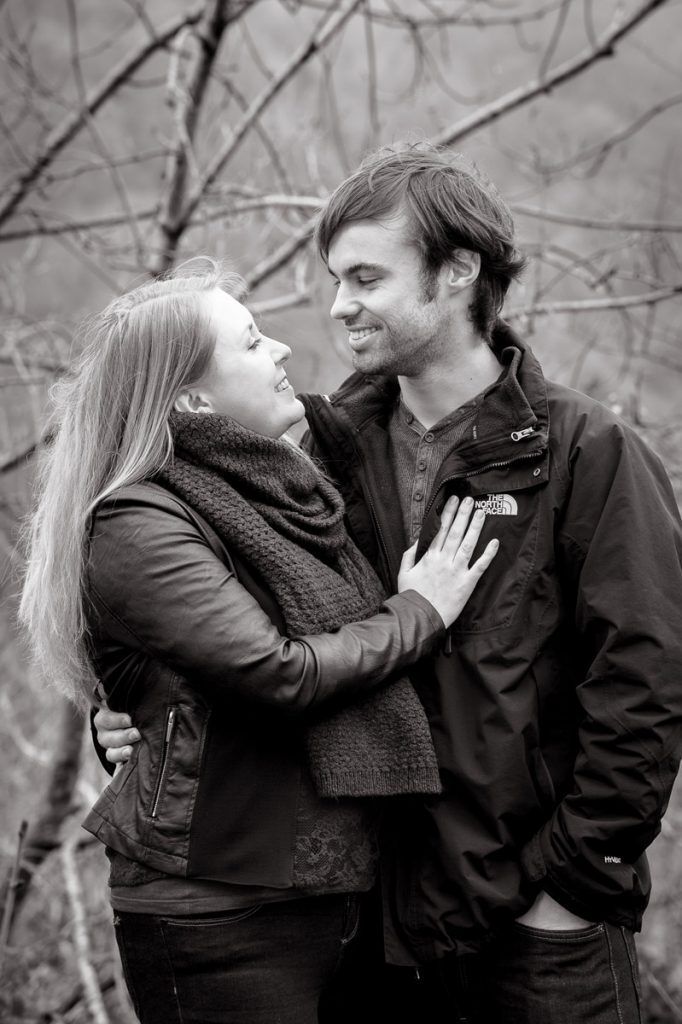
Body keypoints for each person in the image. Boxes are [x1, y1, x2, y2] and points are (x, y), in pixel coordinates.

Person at [95, 144, 682, 1024]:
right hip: (370, 927)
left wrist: (572, 884)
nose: (339, 307)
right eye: (335, 278)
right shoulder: (320, 447)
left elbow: (647, 684)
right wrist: (136, 714)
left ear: (457, 271)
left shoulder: (587, 453)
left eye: (365, 277)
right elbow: (202, 618)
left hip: (540, 929)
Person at [19, 261, 500, 1024]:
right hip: (216, 915)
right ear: (192, 399)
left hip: (327, 887)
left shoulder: (285, 487)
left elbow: (180, 677)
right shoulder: (138, 523)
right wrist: (420, 611)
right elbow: (278, 674)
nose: (279, 349)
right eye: (250, 342)